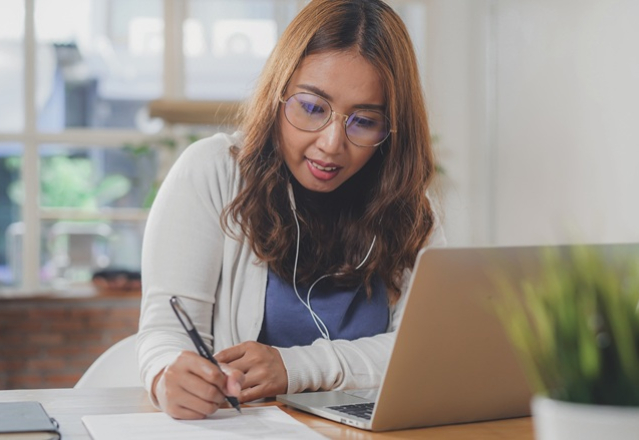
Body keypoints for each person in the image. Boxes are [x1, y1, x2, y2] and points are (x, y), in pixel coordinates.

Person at [137, 0, 445, 420]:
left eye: (365, 120)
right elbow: (166, 335)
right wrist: (164, 377)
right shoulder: (213, 172)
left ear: (391, 129)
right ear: (277, 93)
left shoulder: (409, 207)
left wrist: (292, 367)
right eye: (313, 108)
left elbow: (422, 352)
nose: (333, 143)